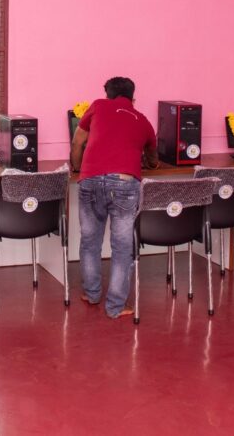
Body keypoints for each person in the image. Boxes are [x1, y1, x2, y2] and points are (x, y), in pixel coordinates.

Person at [70, 76, 159, 319]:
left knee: (90, 240)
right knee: (121, 247)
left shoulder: (98, 106)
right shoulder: (142, 120)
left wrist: (77, 167)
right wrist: (151, 163)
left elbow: (78, 142)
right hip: (124, 184)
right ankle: (115, 307)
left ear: (107, 95)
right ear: (133, 98)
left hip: (90, 180)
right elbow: (153, 155)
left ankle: (92, 294)